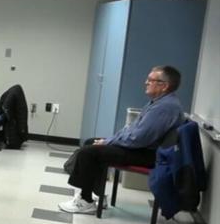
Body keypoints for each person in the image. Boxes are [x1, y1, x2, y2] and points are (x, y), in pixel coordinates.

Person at [59, 65, 185, 214]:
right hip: (143, 148)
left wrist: (108, 142)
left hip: (150, 155)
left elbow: (139, 139)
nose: (146, 82)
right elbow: (131, 130)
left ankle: (85, 201)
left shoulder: (164, 108)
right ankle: (96, 195)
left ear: (164, 86)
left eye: (151, 80)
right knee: (91, 142)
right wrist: (109, 140)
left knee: (89, 152)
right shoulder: (159, 102)